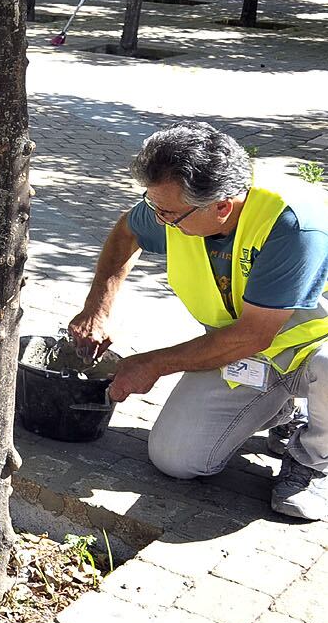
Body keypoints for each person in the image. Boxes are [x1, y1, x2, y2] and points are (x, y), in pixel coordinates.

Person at [68, 123, 328, 520]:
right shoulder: (179, 202)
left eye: (167, 214)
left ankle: (314, 461)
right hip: (250, 350)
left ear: (221, 207)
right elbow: (126, 231)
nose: (158, 219)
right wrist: (97, 308)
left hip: (310, 351)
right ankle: (280, 412)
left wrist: (153, 363)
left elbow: (255, 334)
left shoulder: (293, 225)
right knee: (176, 459)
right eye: (154, 207)